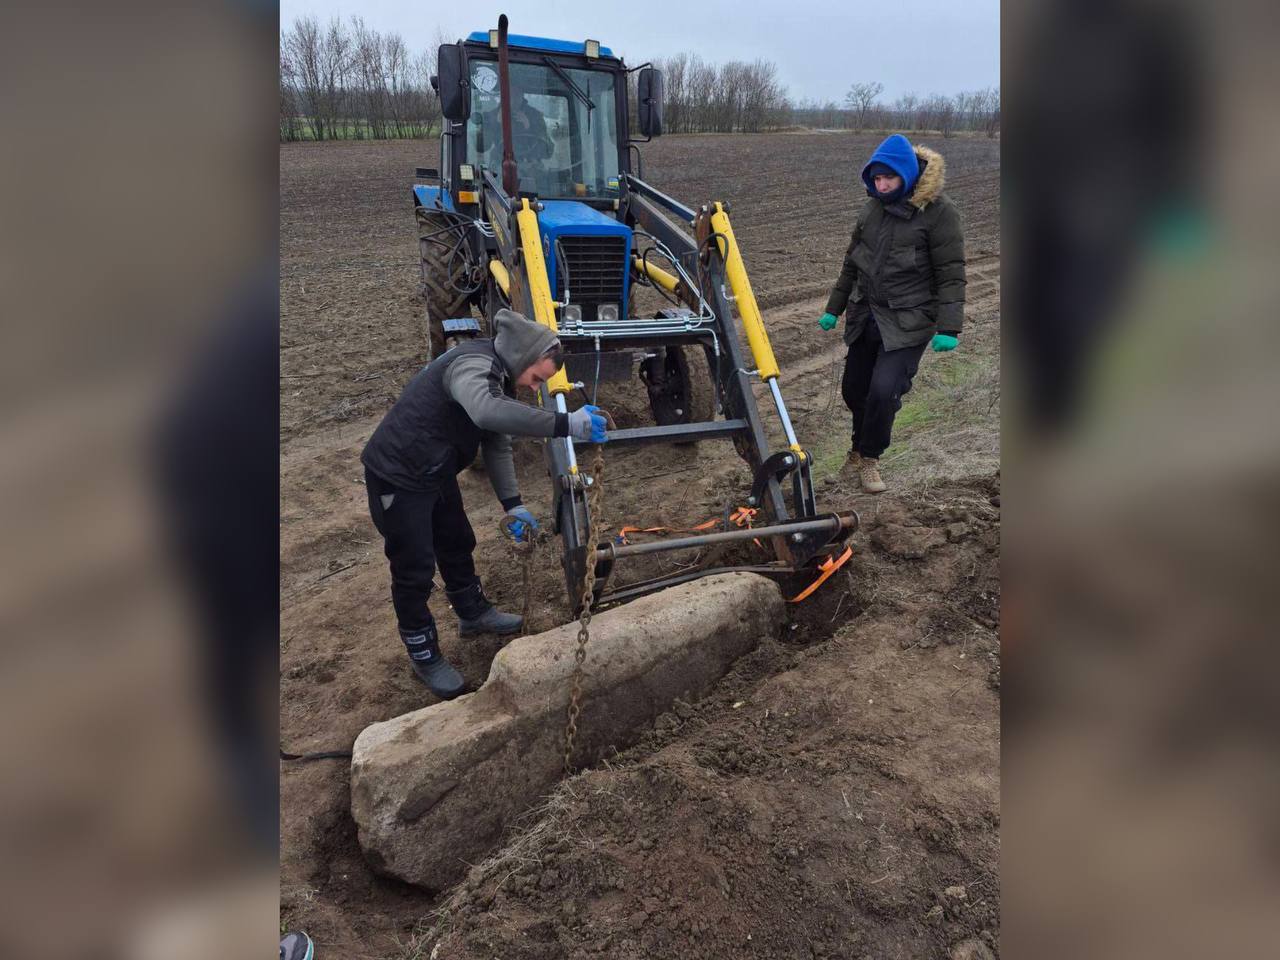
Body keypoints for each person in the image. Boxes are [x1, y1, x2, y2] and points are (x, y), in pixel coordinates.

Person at [361, 309, 608, 699]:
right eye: (536, 378)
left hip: (435, 471)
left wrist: (513, 504)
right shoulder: (472, 365)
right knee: (414, 568)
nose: (534, 387)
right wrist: (564, 424)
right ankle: (423, 653)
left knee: (457, 541)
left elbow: (496, 440)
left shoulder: (500, 376)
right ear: (523, 358)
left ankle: (472, 613)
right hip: (399, 477)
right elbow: (486, 411)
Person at [818, 133, 966, 493]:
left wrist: (949, 328)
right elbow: (852, 262)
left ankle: (869, 458)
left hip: (909, 320)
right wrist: (834, 308)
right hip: (867, 315)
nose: (881, 186)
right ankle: (856, 451)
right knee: (854, 390)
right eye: (877, 178)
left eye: (889, 178)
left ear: (908, 174)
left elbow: (950, 272)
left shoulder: (939, 213)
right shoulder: (871, 209)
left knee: (884, 391)